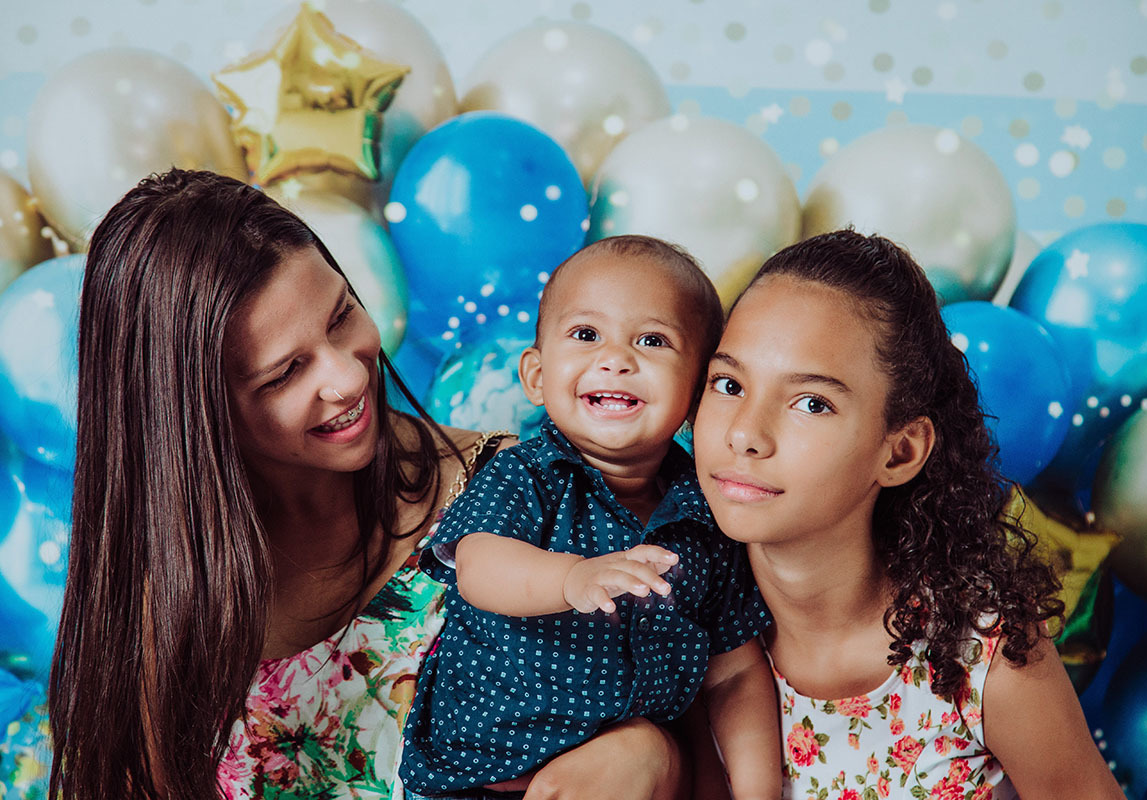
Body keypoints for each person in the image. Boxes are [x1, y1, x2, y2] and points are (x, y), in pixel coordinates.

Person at [47, 169, 688, 800]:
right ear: (194, 415)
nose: (349, 379)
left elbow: (675, 681)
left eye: (341, 316)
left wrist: (652, 752)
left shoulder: (521, 496)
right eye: (285, 373)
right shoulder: (160, 604)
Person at [690, 230, 1125, 799]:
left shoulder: (984, 657)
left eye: (812, 403)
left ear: (900, 452)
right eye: (728, 383)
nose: (745, 433)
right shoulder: (665, 617)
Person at [400, 236, 780, 799]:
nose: (617, 359)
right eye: (586, 335)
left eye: (652, 340)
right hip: (475, 778)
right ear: (536, 376)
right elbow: (478, 567)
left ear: (697, 392)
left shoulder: (706, 519)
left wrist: (758, 791)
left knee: (645, 753)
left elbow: (735, 673)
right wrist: (572, 577)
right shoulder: (526, 476)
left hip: (622, 775)